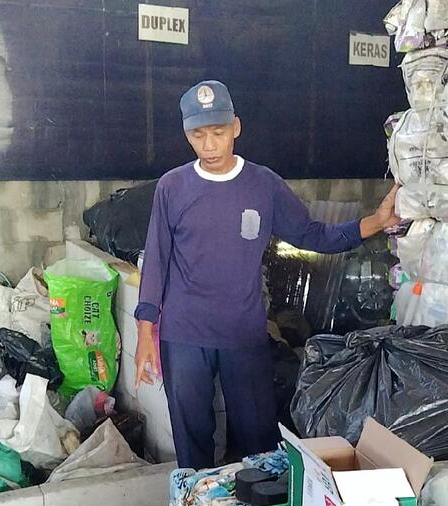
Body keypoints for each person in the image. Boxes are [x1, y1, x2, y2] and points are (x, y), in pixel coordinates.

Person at [133, 80, 400, 469]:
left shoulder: (263, 185)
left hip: (244, 333)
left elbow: (311, 235)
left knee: (259, 439)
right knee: (191, 444)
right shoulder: (172, 187)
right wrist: (145, 333)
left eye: (218, 133)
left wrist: (373, 223)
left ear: (236, 127)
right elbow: (156, 258)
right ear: (187, 134)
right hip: (184, 334)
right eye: (198, 134)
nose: (209, 145)